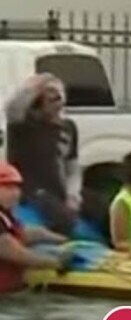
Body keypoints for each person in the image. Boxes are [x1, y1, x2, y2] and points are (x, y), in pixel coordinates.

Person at [5, 74, 83, 236]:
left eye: (58, 97)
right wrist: (34, 87)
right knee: (63, 218)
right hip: (32, 191)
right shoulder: (22, 126)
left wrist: (73, 193)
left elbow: (72, 166)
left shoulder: (68, 127)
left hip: (59, 190)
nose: (57, 103)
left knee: (100, 207)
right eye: (50, 99)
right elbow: (12, 108)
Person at [0, 162, 72, 293]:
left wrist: (66, 240)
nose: (15, 193)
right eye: (7, 188)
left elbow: (24, 234)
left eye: (17, 187)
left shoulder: (6, 216)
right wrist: (56, 262)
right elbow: (16, 254)